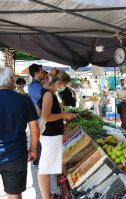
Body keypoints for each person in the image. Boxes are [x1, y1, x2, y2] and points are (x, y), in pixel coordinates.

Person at [0, 67, 40, 199]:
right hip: (16, 155)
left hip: (13, 154)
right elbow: (34, 128)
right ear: (10, 80)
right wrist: (33, 149)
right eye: (14, 79)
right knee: (14, 194)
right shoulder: (23, 100)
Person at [38, 69, 76, 199]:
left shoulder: (51, 92)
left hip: (53, 134)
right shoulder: (48, 94)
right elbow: (45, 117)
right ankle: (46, 197)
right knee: (44, 168)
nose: (64, 88)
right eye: (64, 85)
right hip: (49, 135)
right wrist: (64, 115)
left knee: (47, 167)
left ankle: (48, 195)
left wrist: (62, 119)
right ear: (59, 83)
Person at [28, 63, 45, 167]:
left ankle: (37, 161)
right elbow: (42, 101)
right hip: (38, 116)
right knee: (39, 137)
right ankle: (38, 161)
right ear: (36, 73)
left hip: (38, 116)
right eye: (42, 71)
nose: (43, 73)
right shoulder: (35, 86)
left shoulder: (37, 85)